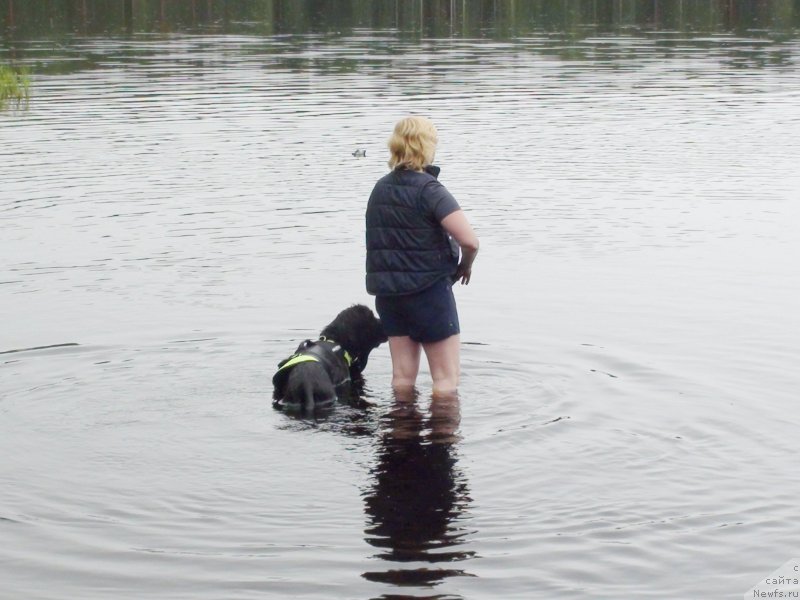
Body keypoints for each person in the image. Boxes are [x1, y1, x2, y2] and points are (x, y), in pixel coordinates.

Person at [365, 116, 479, 394]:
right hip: (429, 294)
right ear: (427, 147)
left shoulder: (380, 188)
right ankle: (443, 438)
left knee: (402, 379)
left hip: (390, 297)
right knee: (445, 380)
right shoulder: (430, 190)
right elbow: (470, 241)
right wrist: (465, 266)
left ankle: (400, 435)